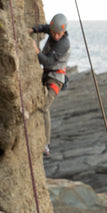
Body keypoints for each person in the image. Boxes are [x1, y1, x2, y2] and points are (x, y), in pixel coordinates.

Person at [28, 13, 70, 157]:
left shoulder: (63, 44)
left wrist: (36, 51)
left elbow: (48, 62)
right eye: (53, 33)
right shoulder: (52, 31)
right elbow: (46, 28)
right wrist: (33, 29)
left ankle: (46, 144)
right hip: (46, 74)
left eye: (58, 34)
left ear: (63, 32)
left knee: (44, 107)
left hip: (56, 78)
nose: (55, 36)